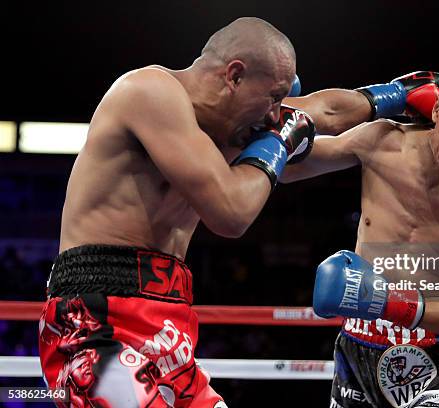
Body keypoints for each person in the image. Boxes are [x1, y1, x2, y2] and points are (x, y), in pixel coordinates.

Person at [38, 16, 327, 408]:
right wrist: (279, 142)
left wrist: (389, 99)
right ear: (235, 76)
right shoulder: (148, 91)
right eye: (273, 98)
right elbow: (231, 213)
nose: (277, 115)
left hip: (169, 327)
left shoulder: (222, 136)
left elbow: (321, 111)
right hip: (94, 321)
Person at [282, 58, 439, 407]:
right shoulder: (382, 142)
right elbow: (285, 165)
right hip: (358, 345)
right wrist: (385, 97)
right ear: (436, 109)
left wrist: (385, 302)